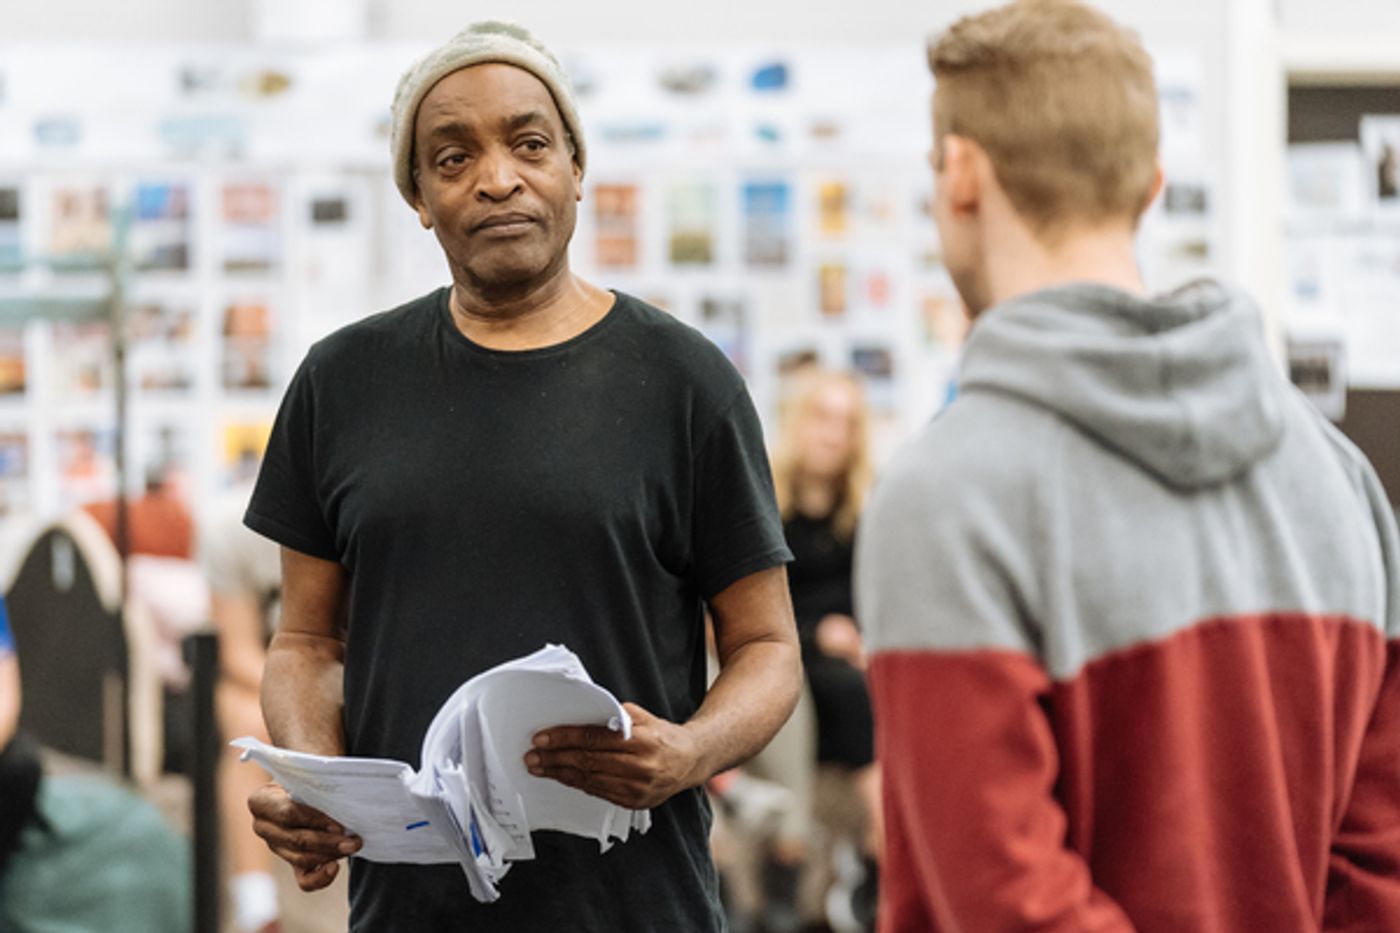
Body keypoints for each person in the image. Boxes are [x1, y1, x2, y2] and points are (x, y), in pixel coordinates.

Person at [243, 20, 800, 933]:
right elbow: (305, 641)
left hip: (636, 907)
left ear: (577, 169)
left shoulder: (685, 381)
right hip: (410, 913)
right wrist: (317, 779)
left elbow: (769, 646)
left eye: (530, 144)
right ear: (419, 198)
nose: (497, 178)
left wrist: (690, 750)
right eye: (453, 157)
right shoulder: (340, 382)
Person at [857, 2, 1400, 931]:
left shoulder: (944, 496)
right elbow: (1377, 871)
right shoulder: (1341, 479)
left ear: (962, 173)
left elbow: (1006, 905)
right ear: (1150, 185)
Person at [771, 367, 880, 930]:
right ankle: (881, 847)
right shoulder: (765, 505)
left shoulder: (863, 511)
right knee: (848, 688)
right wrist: (819, 633)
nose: (834, 435)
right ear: (797, 422)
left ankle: (867, 865)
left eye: (847, 423)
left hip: (848, 657)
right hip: (789, 653)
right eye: (822, 418)